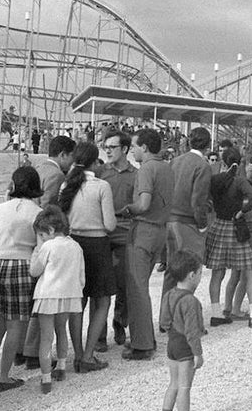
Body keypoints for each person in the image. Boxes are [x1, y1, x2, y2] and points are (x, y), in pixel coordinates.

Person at [0, 166, 44, 392]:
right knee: (16, 325)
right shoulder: (37, 212)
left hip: (0, 265)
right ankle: (4, 377)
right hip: (23, 267)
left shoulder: (1, 208)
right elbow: (41, 245)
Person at [58, 141, 117, 373]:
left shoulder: (67, 185)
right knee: (102, 301)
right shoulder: (102, 186)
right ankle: (88, 355)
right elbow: (110, 224)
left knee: (78, 302)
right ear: (94, 162)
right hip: (98, 244)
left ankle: (77, 353)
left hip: (75, 243)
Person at [19, 134, 76, 368]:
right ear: (63, 154)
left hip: (25, 240)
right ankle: (33, 351)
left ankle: (22, 348)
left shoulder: (37, 168)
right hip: (43, 238)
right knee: (42, 298)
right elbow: (47, 209)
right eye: (70, 157)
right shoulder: (56, 175)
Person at [120, 129, 174, 361]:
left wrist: (127, 209)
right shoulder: (167, 168)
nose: (132, 150)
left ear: (144, 147)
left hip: (143, 229)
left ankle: (142, 344)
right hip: (160, 230)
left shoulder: (146, 169)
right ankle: (144, 337)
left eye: (134, 146)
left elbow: (143, 204)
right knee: (142, 287)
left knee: (137, 288)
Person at [203, 147, 252, 328]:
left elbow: (206, 199)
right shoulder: (240, 181)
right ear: (240, 161)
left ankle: (216, 313)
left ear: (223, 162)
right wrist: (242, 211)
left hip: (218, 225)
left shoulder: (215, 180)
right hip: (235, 226)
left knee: (217, 272)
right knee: (251, 269)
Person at [29, 206, 85, 394]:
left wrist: (36, 250)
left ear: (51, 230)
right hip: (69, 294)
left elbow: (34, 271)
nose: (41, 238)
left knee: (46, 337)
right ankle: (61, 366)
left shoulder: (47, 247)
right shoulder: (76, 246)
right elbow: (81, 277)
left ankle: (45, 378)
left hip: (48, 295)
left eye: (41, 234)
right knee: (62, 330)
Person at [158, 251, 210, 411]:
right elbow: (192, 332)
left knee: (173, 383)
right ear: (192, 275)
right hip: (185, 348)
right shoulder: (191, 301)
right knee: (184, 387)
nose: (200, 277)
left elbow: (163, 322)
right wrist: (198, 354)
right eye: (200, 273)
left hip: (172, 343)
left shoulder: (168, 295)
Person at [100, 130, 136, 350]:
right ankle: (99, 334)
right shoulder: (100, 173)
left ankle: (120, 322)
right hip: (102, 235)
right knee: (100, 288)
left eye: (112, 147)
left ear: (124, 149)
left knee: (124, 284)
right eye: (106, 147)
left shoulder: (136, 175)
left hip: (124, 234)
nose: (108, 151)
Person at [167, 127, 212, 264]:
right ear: (208, 144)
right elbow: (198, 201)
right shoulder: (203, 166)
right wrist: (203, 225)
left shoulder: (175, 161)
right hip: (188, 223)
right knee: (190, 267)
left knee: (172, 267)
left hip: (169, 219)